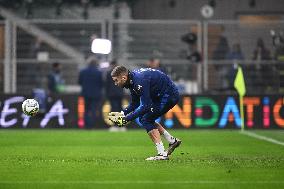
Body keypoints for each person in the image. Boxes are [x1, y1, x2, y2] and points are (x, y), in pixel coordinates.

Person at [108, 66, 181, 161]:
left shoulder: (139, 81)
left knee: (146, 119)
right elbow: (135, 103)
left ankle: (162, 154)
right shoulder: (132, 81)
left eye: (116, 80)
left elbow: (146, 106)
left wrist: (126, 119)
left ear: (123, 78)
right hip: (160, 96)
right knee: (145, 119)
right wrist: (122, 113)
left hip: (168, 96)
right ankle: (172, 141)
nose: (115, 83)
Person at [78, 57, 103, 128]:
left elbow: (79, 82)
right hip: (96, 95)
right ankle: (91, 125)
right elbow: (101, 84)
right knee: (93, 110)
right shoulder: (99, 72)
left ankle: (86, 124)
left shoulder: (83, 71)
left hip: (85, 93)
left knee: (86, 110)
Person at [105, 60, 125, 131]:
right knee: (120, 109)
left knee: (114, 109)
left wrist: (107, 94)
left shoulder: (109, 73)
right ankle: (121, 126)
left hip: (112, 94)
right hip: (120, 93)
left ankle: (115, 126)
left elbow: (107, 85)